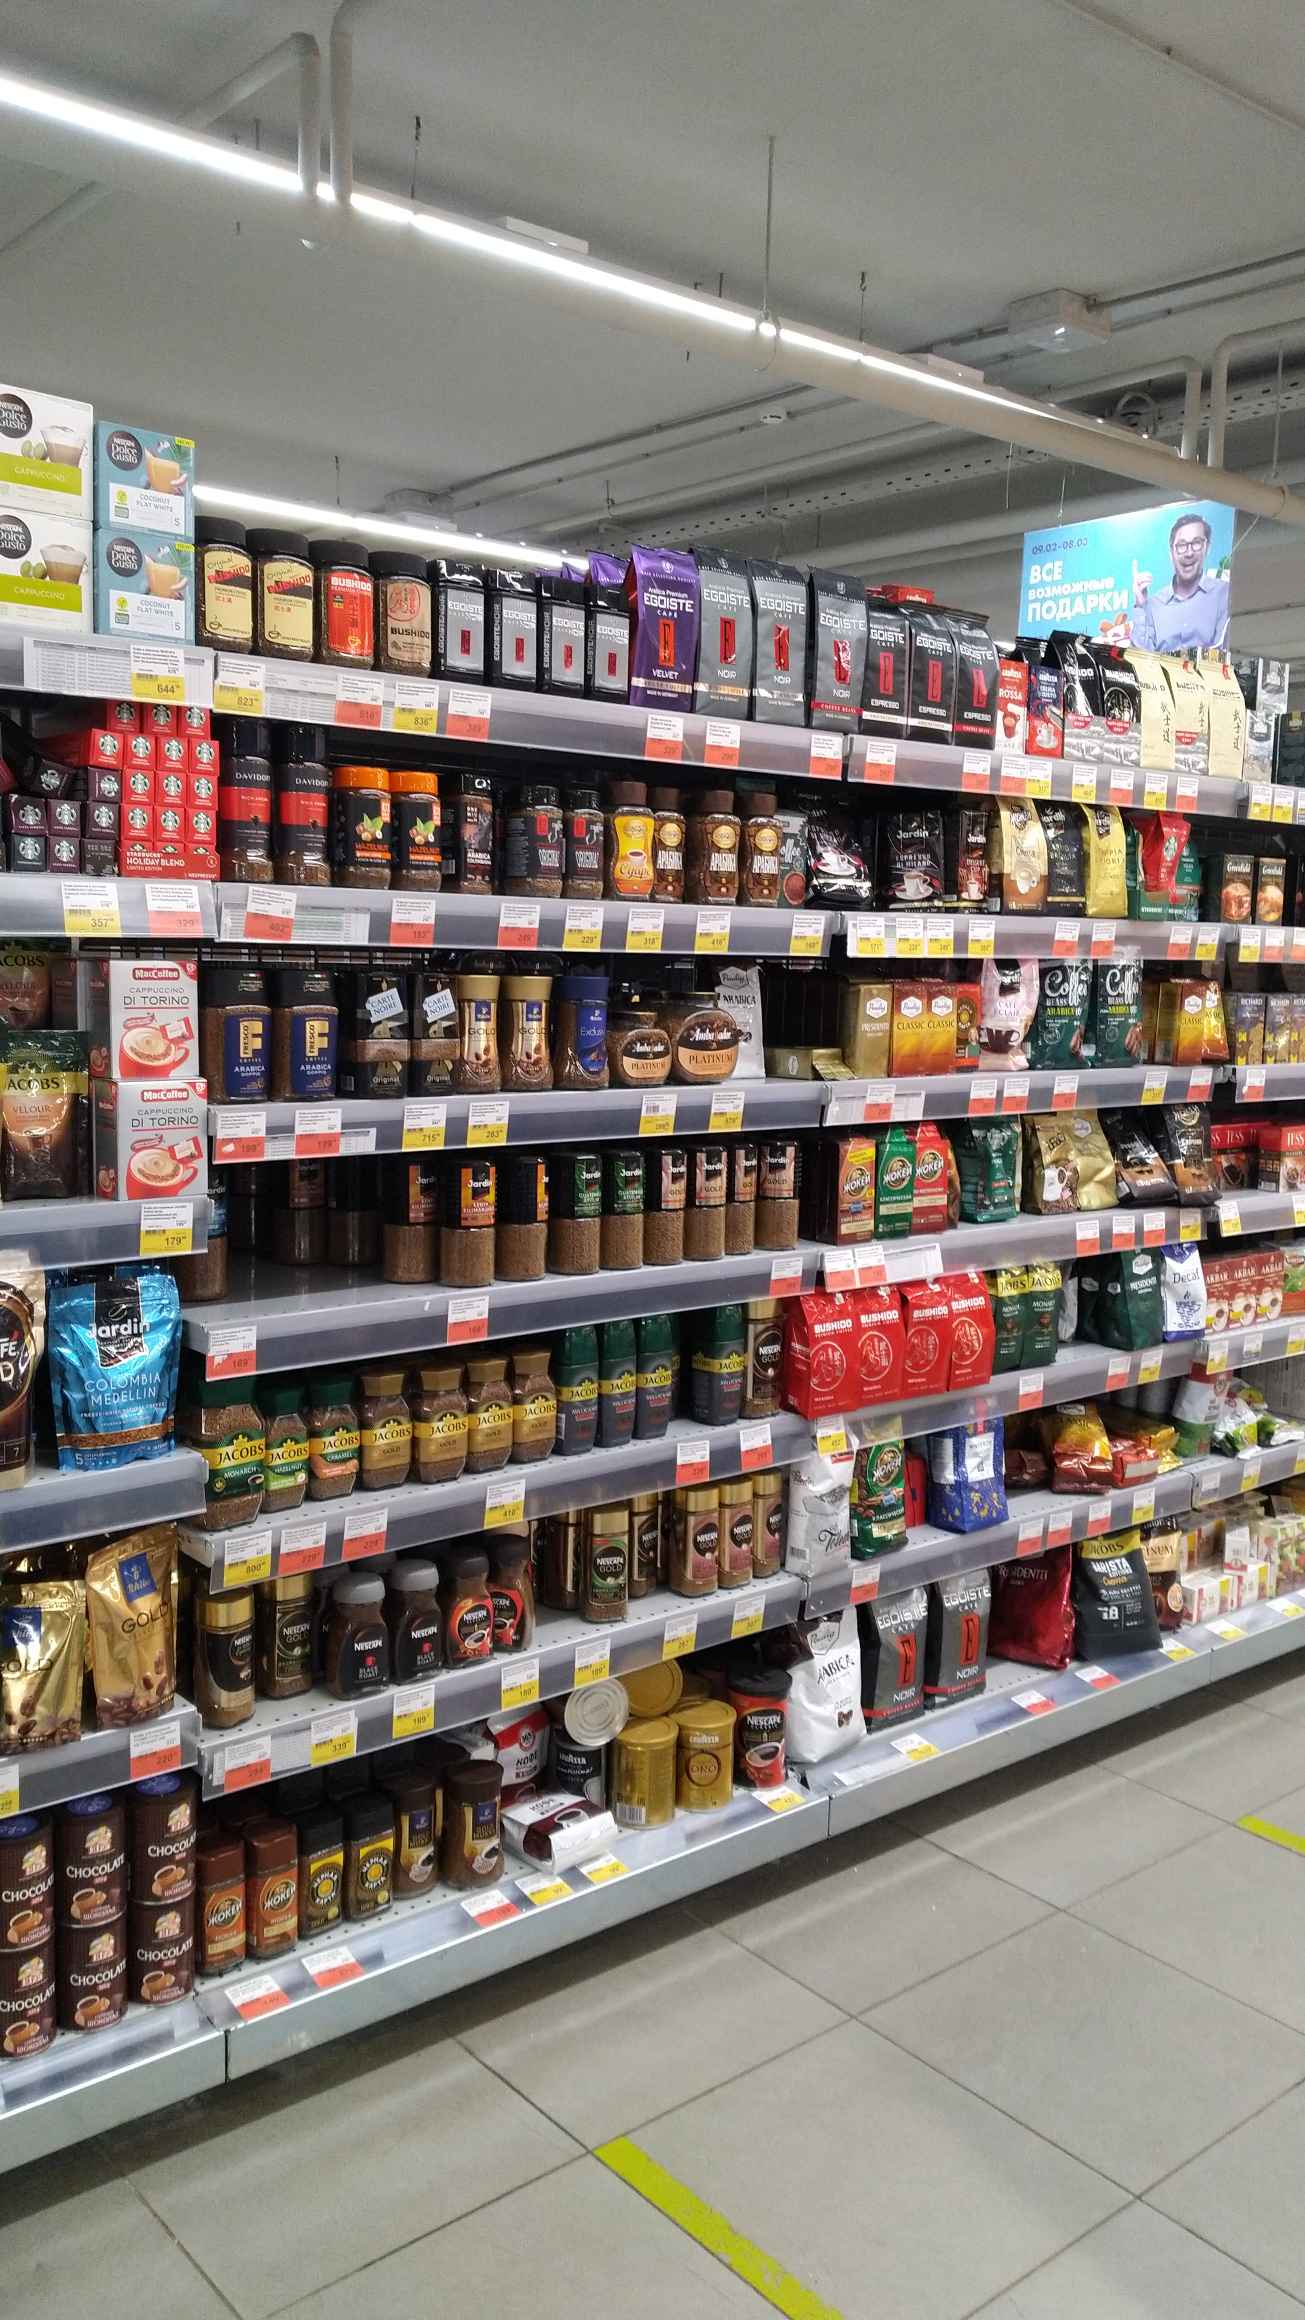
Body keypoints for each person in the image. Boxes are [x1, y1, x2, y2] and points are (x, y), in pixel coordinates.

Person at [1131, 513, 1230, 650]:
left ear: (1207, 547)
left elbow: (1225, 651)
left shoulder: (1224, 593)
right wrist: (1140, 604)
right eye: (1181, 545)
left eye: (1196, 543)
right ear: (1171, 553)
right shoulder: (1154, 605)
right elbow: (1141, 657)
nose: (1189, 553)